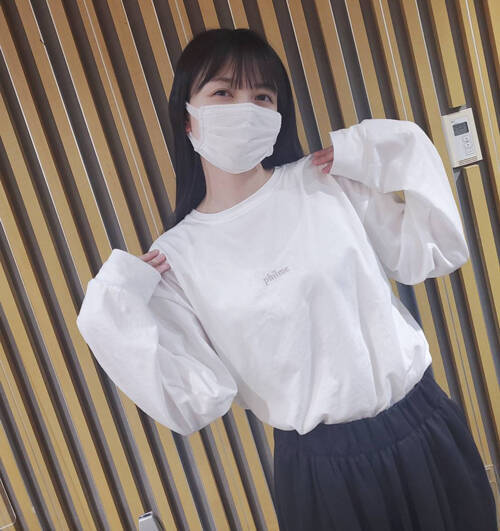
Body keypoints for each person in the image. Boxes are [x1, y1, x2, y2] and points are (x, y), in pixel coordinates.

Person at [76, 28, 497, 530]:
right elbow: (192, 401)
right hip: (324, 472)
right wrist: (115, 303)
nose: (245, 108)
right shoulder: (179, 259)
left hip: (421, 420)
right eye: (223, 92)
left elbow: (431, 249)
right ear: (187, 117)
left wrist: (383, 151)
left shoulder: (324, 181)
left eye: (262, 96)